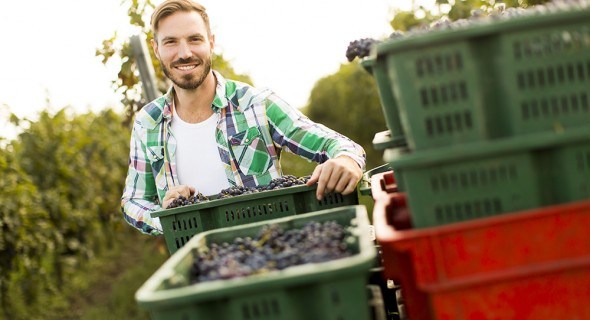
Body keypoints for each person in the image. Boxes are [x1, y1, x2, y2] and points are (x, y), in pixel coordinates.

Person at [121, 0, 366, 235]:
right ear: (156, 49)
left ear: (211, 42)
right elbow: (134, 200)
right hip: (201, 263)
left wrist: (346, 160)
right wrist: (166, 215)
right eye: (171, 42)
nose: (184, 53)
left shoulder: (255, 104)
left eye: (194, 39)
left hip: (271, 248)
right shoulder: (148, 122)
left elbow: (338, 145)